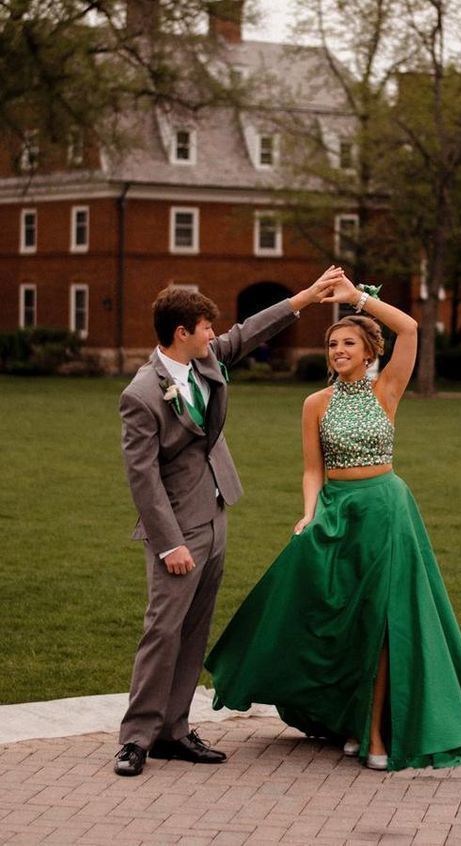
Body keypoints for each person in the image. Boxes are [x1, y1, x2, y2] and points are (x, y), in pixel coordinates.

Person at [205, 273, 461, 771]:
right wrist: (308, 514)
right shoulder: (314, 404)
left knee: (383, 620)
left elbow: (410, 329)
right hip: (339, 512)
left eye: (349, 343)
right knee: (336, 618)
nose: (339, 350)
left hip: (386, 509)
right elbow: (312, 470)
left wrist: (357, 299)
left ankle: (377, 735)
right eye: (334, 343)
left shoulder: (387, 390)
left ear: (367, 353)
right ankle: (346, 717)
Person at [114, 267, 344, 777]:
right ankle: (135, 739)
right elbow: (143, 479)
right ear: (182, 333)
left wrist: (304, 298)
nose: (214, 336)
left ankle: (173, 730)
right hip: (178, 529)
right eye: (205, 328)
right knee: (163, 629)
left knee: (194, 629)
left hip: (216, 513)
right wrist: (169, 543)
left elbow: (248, 331)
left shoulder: (205, 361)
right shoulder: (142, 395)